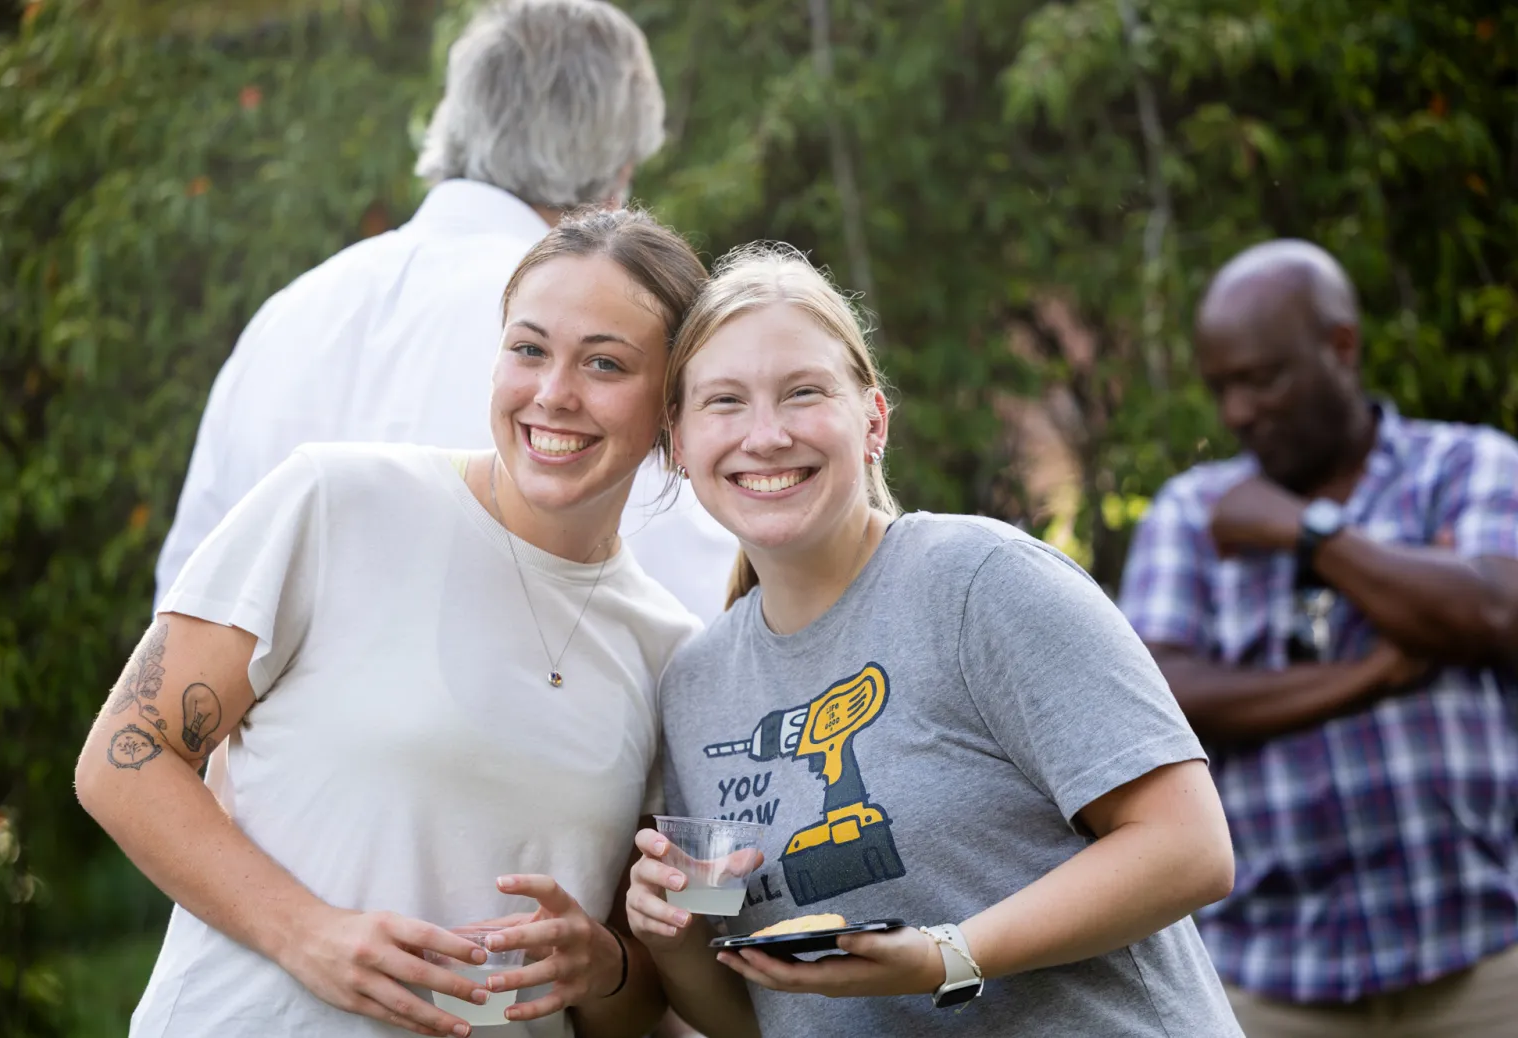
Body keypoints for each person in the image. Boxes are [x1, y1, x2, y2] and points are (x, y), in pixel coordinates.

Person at [75, 208, 708, 1038]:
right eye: (529, 349)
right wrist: (309, 934)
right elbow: (123, 760)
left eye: (605, 363)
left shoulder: (672, 654)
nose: (554, 392)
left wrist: (607, 966)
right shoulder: (335, 502)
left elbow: (641, 1004)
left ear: (675, 404)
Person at [622, 244, 1244, 1037]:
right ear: (677, 441)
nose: (767, 435)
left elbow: (1188, 848)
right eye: (725, 403)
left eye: (802, 392)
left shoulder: (981, 583)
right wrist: (671, 937)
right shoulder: (697, 687)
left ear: (872, 419)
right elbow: (763, 1023)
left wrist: (950, 954)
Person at [152, 0, 736, 626]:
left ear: (454, 122)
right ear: (617, 179)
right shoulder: (614, 339)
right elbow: (700, 606)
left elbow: (182, 603)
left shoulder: (285, 318)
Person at [1117, 239, 1518, 1037]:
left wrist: (1305, 533)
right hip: (1270, 980)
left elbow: (1494, 615)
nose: (1236, 413)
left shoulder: (1468, 465)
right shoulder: (1193, 513)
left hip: (1486, 960)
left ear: (1342, 348)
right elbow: (1162, 703)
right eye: (1222, 388)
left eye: (1262, 379)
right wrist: (1375, 672)